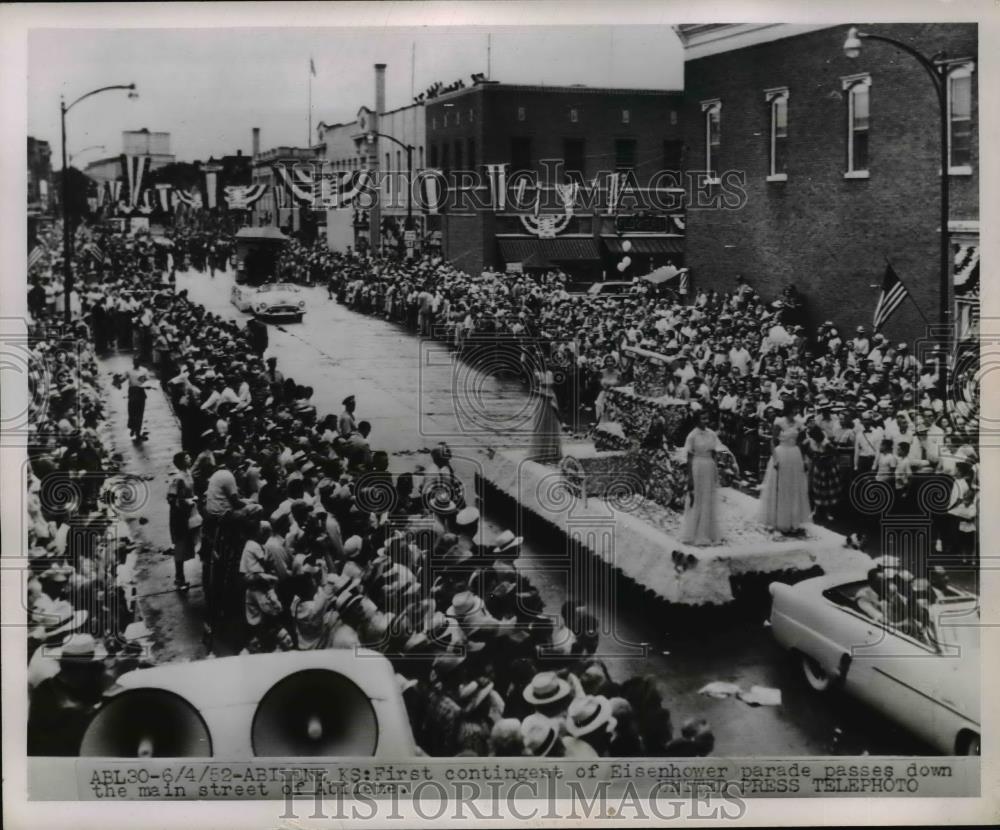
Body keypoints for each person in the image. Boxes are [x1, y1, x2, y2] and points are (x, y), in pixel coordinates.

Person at [757, 402, 811, 533]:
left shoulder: (799, 424)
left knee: (793, 486)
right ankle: (779, 520)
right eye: (793, 410)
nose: (795, 412)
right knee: (781, 486)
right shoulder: (779, 422)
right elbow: (772, 441)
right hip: (782, 453)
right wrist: (775, 459)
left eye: (796, 410)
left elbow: (801, 442)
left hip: (795, 455)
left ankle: (793, 520)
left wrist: (804, 459)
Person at [678, 407, 722, 546]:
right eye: (703, 418)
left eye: (707, 418)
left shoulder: (712, 434)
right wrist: (690, 478)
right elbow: (689, 458)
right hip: (697, 467)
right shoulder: (692, 436)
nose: (706, 421)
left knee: (708, 498)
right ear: (697, 420)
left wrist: (716, 470)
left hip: (709, 467)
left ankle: (708, 532)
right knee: (697, 498)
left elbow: (714, 453)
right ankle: (694, 532)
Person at [167, 451, 199, 591]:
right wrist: (187, 501)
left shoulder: (188, 473)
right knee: (180, 546)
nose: (190, 458)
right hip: (179, 517)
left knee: (188, 543)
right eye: (187, 457)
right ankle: (179, 578)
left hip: (189, 513)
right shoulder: (177, 478)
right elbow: (171, 499)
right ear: (181, 462)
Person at [125, 355, 154, 441]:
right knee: (131, 411)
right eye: (134, 361)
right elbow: (122, 379)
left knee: (139, 413)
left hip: (140, 392)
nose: (136, 363)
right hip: (132, 392)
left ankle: (137, 432)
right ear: (133, 362)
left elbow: (146, 381)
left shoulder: (144, 371)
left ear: (139, 362)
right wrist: (117, 380)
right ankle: (132, 427)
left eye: (137, 361)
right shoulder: (129, 371)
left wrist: (148, 386)